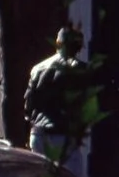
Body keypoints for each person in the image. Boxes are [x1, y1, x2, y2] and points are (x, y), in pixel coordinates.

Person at [23, 19, 94, 168]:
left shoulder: (38, 69)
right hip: (62, 136)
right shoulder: (81, 71)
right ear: (78, 48)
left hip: (38, 134)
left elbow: (28, 105)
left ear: (58, 43)